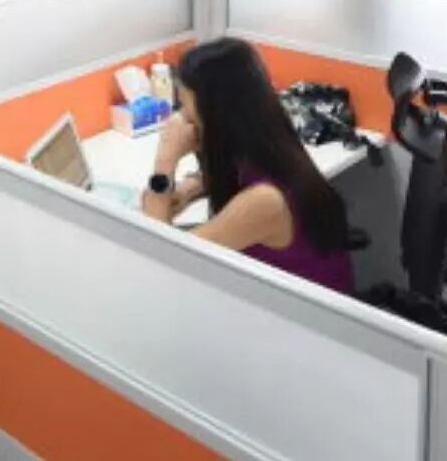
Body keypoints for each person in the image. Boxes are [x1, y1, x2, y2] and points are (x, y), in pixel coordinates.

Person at [141, 37, 354, 295]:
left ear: (215, 115)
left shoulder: (265, 202)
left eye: (186, 108)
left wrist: (165, 160)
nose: (183, 119)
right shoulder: (274, 148)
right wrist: (191, 187)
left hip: (301, 318)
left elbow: (160, 260)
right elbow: (234, 172)